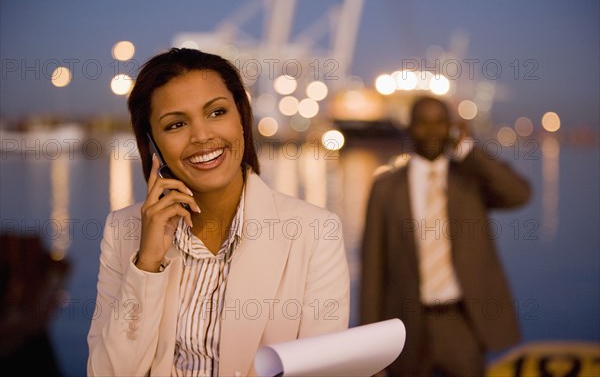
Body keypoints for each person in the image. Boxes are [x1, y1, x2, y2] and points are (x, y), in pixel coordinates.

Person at [87, 48, 350, 376]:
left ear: (241, 117)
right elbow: (105, 372)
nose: (202, 136)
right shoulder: (122, 229)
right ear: (152, 143)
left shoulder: (315, 231)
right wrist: (147, 265)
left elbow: (322, 371)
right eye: (176, 124)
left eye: (216, 113)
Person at [360, 96, 531, 376]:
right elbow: (372, 271)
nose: (431, 131)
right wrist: (370, 347)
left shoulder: (469, 181)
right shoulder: (386, 188)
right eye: (423, 123)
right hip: (405, 324)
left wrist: (468, 149)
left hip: (461, 323)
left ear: (451, 128)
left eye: (439, 123)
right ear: (410, 127)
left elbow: (519, 194)